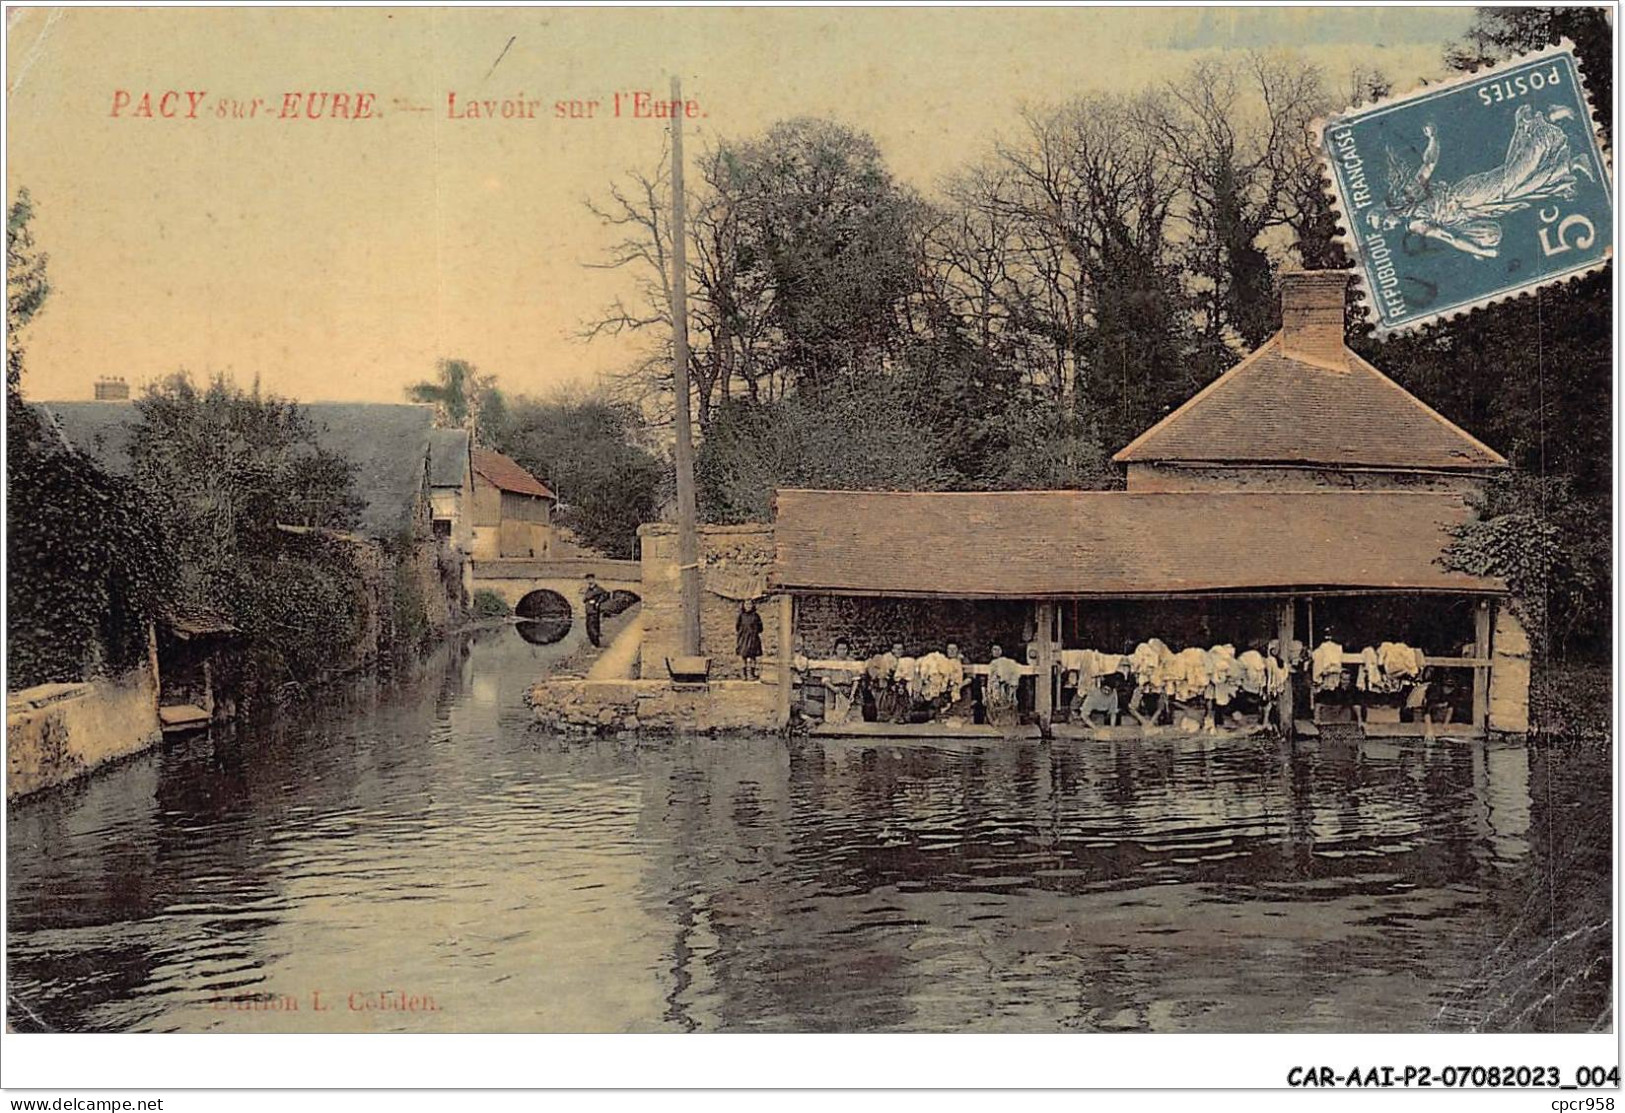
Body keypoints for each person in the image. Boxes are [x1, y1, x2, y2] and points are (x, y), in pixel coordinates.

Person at [736, 598, 764, 679]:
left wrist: (753, 632)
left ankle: (751, 674)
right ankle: (743, 675)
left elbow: (761, 628)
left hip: (753, 639)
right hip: (743, 639)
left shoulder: (756, 616)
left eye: (750, 604)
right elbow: (737, 627)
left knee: (753, 657)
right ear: (743, 606)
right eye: (746, 604)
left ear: (753, 605)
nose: (748, 606)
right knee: (743, 656)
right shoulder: (741, 616)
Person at [582, 574, 610, 647]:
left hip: (594, 611)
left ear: (594, 579)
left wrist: (597, 602)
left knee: (593, 627)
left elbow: (606, 595)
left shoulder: (598, 589)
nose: (589, 580)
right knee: (588, 628)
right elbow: (584, 599)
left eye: (590, 579)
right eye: (588, 579)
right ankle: (594, 643)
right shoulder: (588, 589)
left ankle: (596, 644)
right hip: (588, 611)